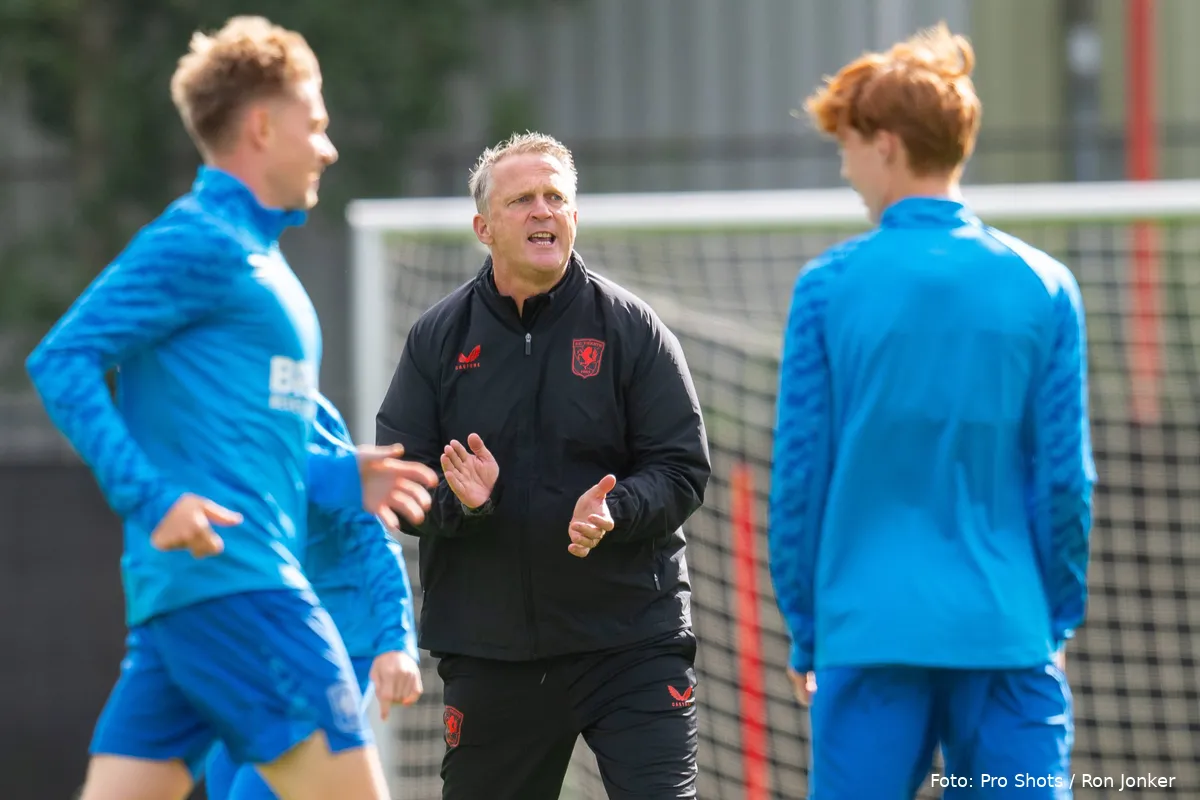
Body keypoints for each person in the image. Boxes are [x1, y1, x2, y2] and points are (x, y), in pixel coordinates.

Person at [24, 16, 437, 800]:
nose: (328, 146)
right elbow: (63, 360)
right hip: (249, 595)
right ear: (260, 126)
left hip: (185, 605)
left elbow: (238, 440)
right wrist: (152, 499)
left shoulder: (258, 257)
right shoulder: (203, 241)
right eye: (314, 124)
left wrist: (342, 478)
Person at [766, 23, 1096, 799]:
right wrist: (1050, 621)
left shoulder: (828, 288)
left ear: (885, 144)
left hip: (867, 635)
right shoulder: (1046, 287)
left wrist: (809, 629)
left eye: (846, 144)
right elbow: (1065, 485)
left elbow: (798, 483)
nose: (844, 167)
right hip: (1006, 633)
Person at [375, 131, 712, 800]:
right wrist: (464, 504)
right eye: (522, 199)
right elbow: (398, 483)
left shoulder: (632, 330)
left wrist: (616, 510)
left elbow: (681, 468)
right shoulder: (438, 340)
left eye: (556, 197)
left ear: (574, 218)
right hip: (493, 655)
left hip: (630, 644)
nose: (542, 211)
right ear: (484, 227)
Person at [204, 392, 424, 799]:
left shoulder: (297, 409)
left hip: (334, 643)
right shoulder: (188, 416)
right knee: (223, 786)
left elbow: (369, 537)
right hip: (254, 651)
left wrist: (396, 641)